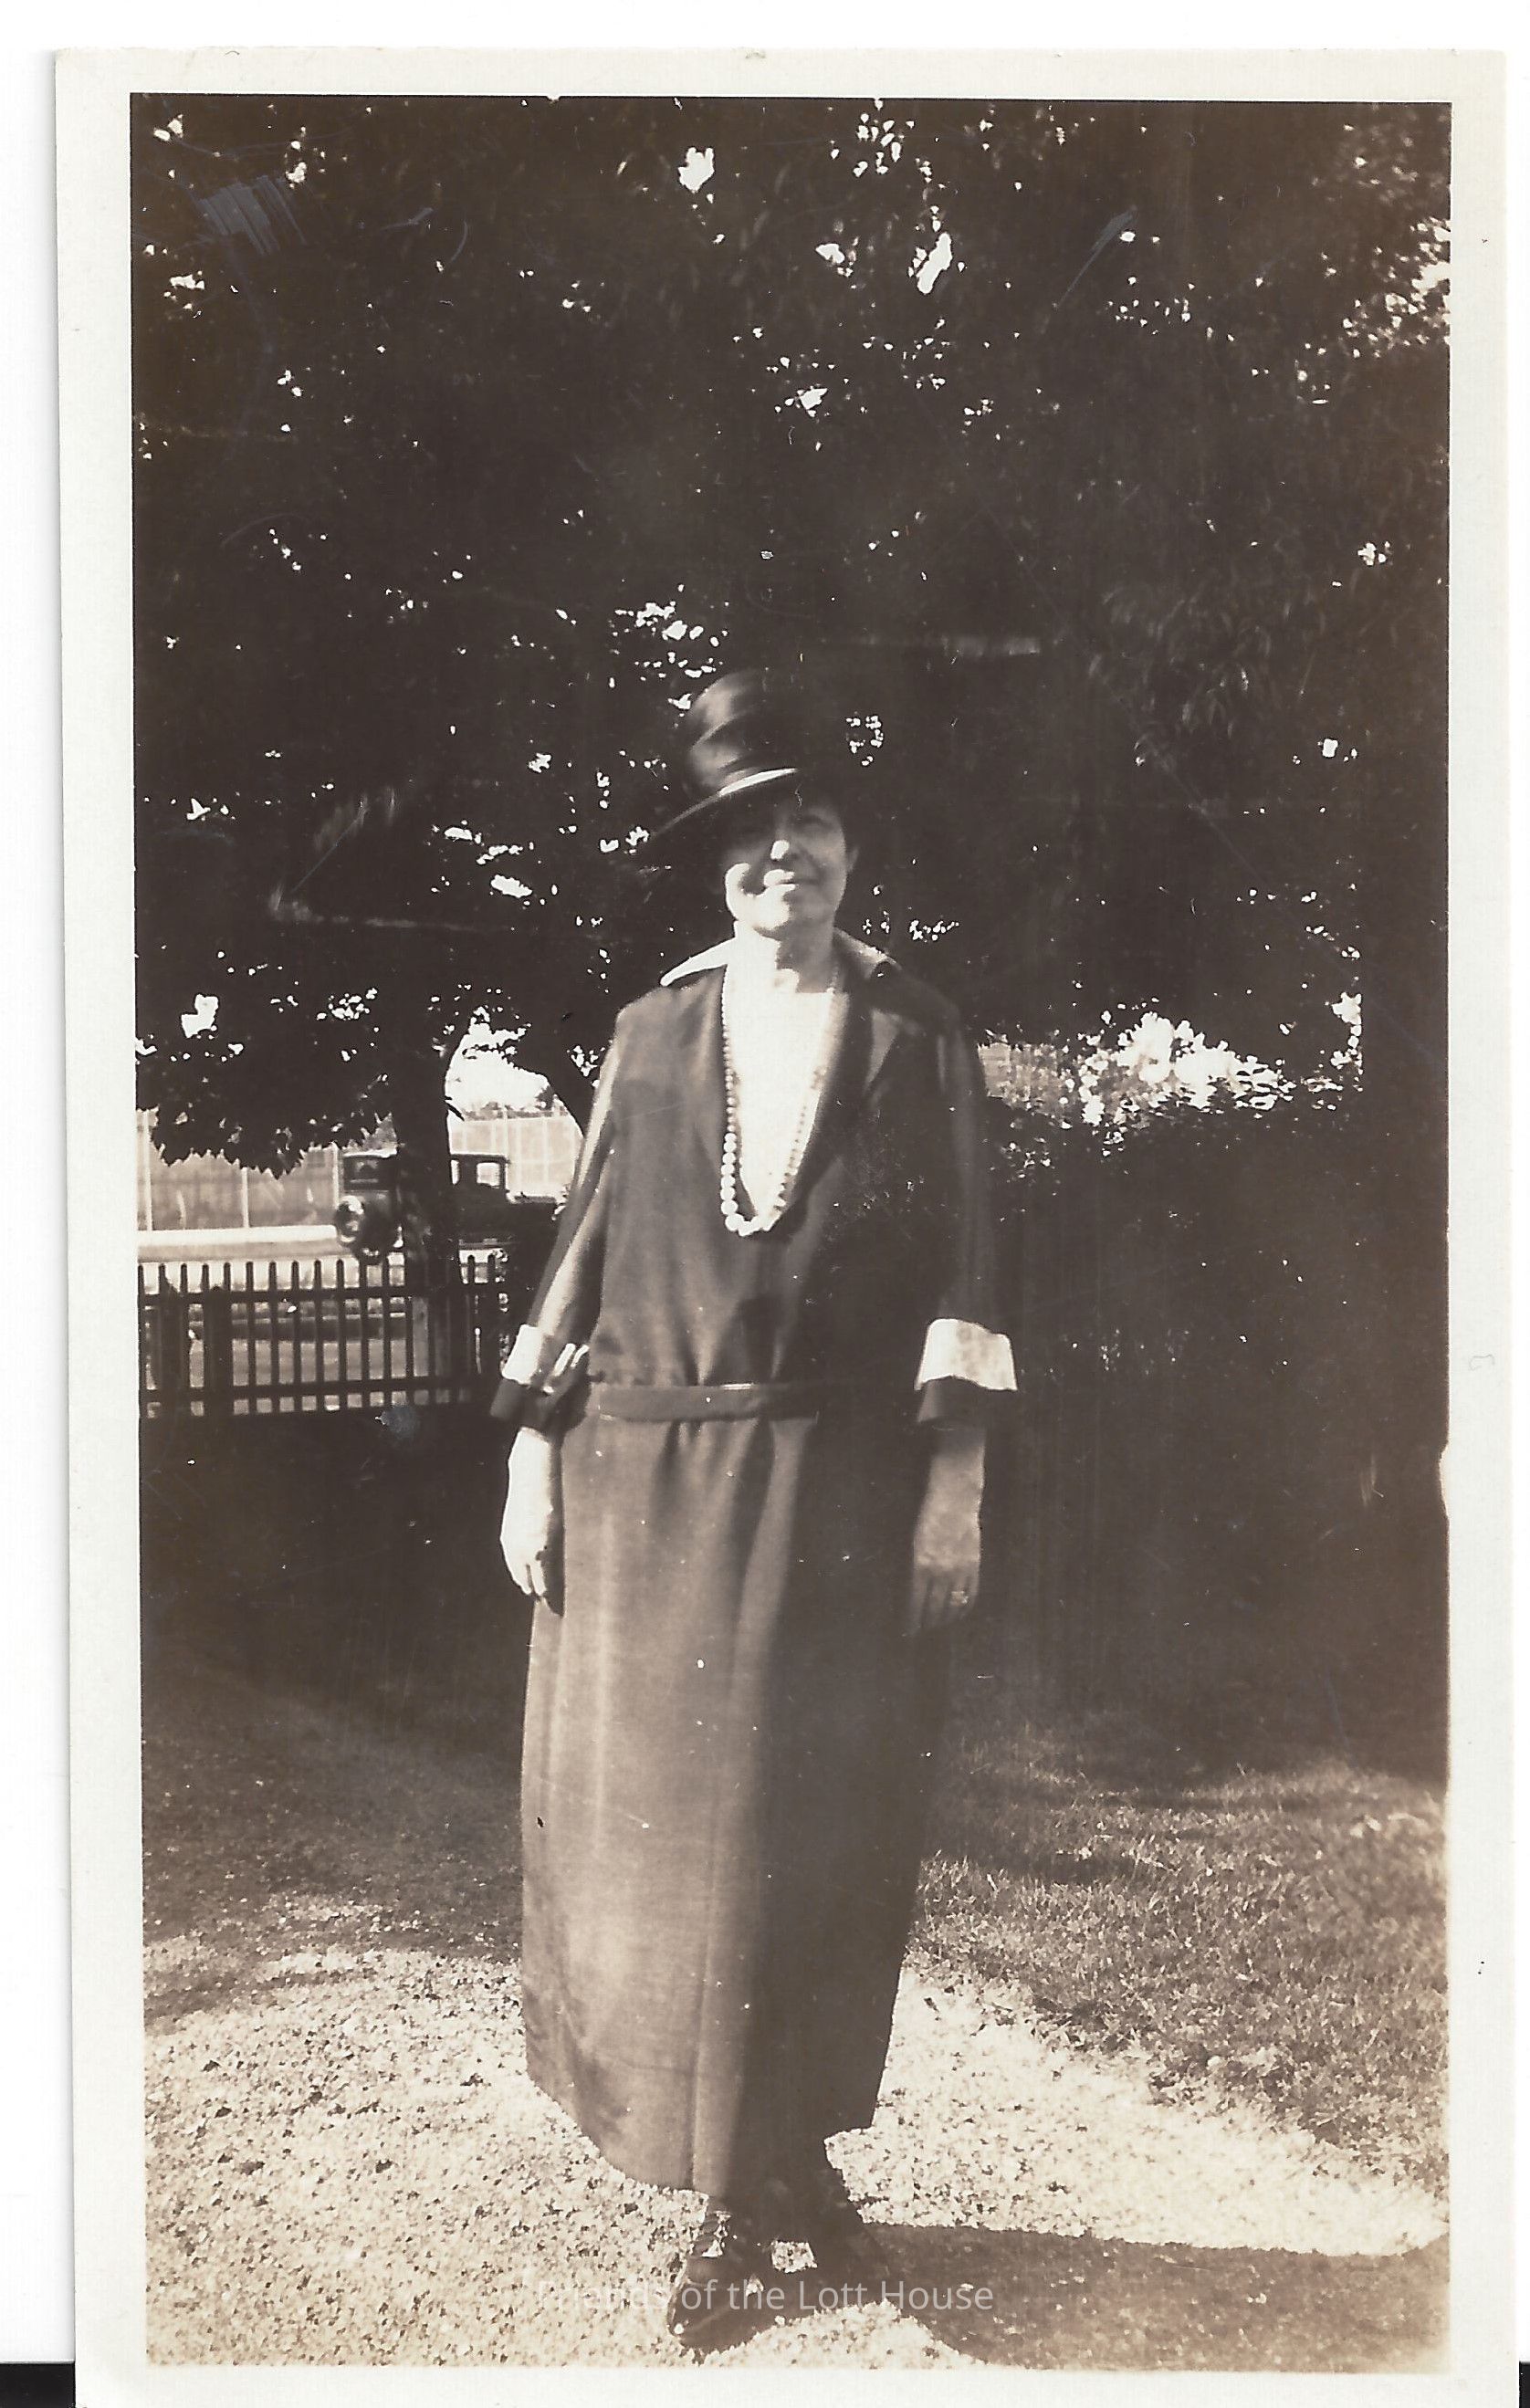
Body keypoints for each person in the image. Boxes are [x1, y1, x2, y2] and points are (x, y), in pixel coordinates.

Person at [493, 668, 1015, 2350]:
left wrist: (955, 1481)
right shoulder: (650, 1033)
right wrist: (527, 1451)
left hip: (839, 1492)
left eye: (811, 823)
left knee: (814, 1831)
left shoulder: (920, 1031)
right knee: (677, 1858)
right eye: (750, 832)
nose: (783, 853)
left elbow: (966, 1264)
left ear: (851, 850)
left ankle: (780, 2160)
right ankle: (740, 2190)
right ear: (712, 864)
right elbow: (583, 1247)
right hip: (644, 1490)